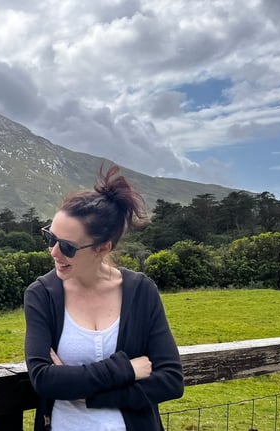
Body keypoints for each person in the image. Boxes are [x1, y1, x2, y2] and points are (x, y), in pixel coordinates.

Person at [24, 165, 184, 431]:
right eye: (51, 238)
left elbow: (170, 381)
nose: (54, 252)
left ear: (103, 248)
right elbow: (44, 379)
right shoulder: (42, 295)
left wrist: (89, 395)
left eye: (67, 247)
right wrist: (126, 370)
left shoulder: (141, 292)